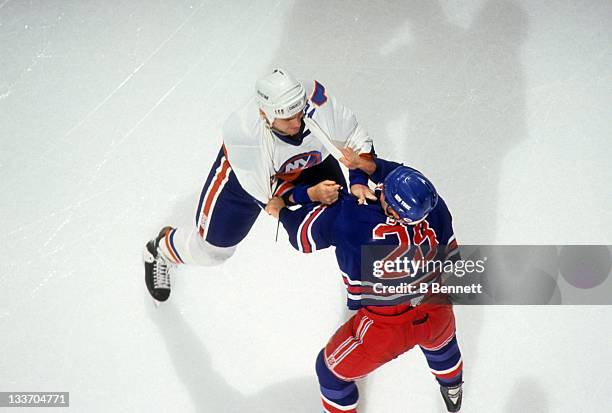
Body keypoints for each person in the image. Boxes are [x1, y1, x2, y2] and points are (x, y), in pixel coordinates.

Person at [144, 69, 376, 303]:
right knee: (214, 250)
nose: (298, 122)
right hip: (245, 181)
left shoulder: (314, 100)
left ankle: (378, 291)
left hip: (311, 161)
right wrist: (310, 194)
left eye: (299, 112)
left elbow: (354, 136)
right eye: (288, 118)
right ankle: (161, 249)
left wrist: (358, 182)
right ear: (265, 115)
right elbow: (273, 200)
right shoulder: (246, 138)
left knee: (356, 215)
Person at [265, 149, 464, 412]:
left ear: (392, 209)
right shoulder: (433, 207)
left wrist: (281, 211)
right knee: (443, 344)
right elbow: (398, 174)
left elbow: (303, 236)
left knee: (329, 373)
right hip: (436, 305)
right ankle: (452, 386)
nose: (380, 189)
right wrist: (364, 167)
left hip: (385, 326)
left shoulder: (352, 218)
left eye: (385, 191)